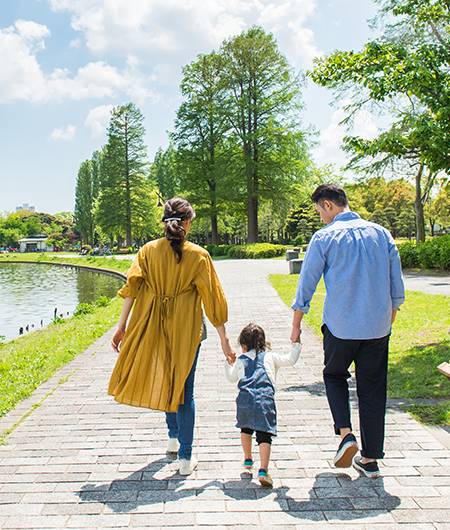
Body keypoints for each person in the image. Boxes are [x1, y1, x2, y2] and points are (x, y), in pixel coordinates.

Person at [109, 197, 236, 476]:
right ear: (188, 222)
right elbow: (213, 300)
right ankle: (185, 458)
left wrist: (122, 326)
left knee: (168, 381)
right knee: (184, 390)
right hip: (187, 328)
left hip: (153, 323)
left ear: (164, 222)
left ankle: (173, 437)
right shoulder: (199, 255)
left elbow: (131, 288)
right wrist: (225, 340)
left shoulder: (147, 251)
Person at [290, 184, 405, 479]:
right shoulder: (381, 233)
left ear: (328, 205)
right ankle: (370, 459)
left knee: (334, 376)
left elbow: (307, 284)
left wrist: (295, 325)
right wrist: (386, 320)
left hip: (340, 327)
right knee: (373, 388)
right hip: (378, 327)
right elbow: (397, 285)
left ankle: (346, 435)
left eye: (319, 211)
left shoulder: (325, 237)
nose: (320, 218)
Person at [225, 323, 301, 487]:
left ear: (243, 345)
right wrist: (297, 344)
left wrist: (229, 363)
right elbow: (291, 359)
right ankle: (263, 470)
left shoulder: (241, 359)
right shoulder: (270, 357)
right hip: (264, 399)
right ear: (263, 342)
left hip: (244, 398)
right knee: (264, 435)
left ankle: (247, 458)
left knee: (245, 428)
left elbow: (231, 378)